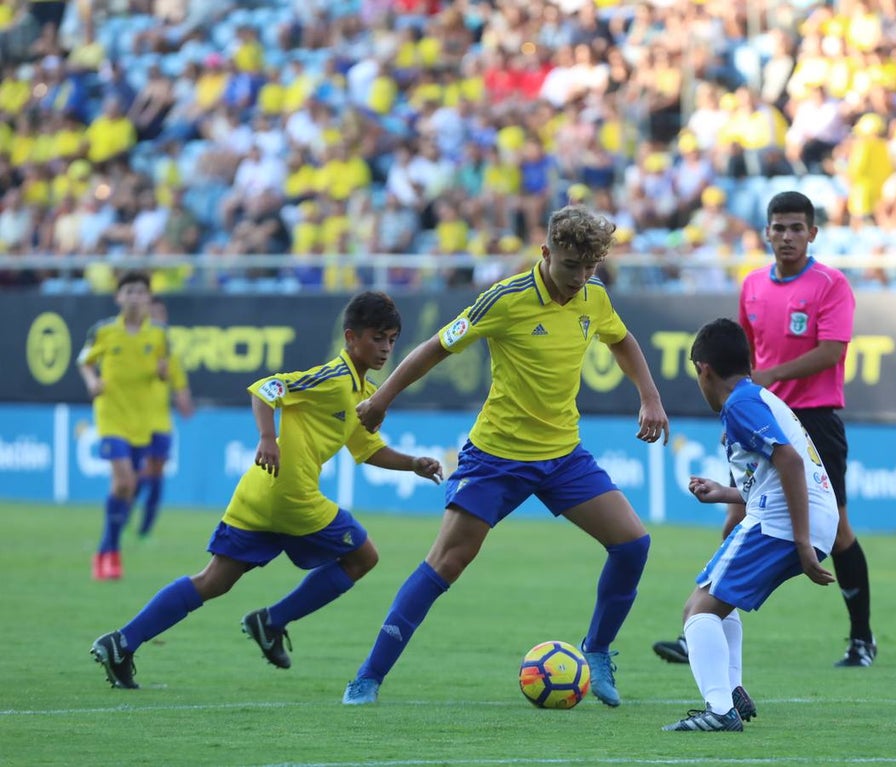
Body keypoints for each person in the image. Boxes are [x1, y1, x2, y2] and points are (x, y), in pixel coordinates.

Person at [343, 205, 670, 708]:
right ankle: (367, 677)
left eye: (590, 268)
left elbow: (622, 341)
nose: (579, 279)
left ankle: (598, 650)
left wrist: (649, 396)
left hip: (562, 455)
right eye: (570, 267)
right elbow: (435, 346)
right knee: (445, 563)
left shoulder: (594, 297)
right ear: (545, 254)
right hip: (496, 458)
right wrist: (382, 398)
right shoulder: (506, 299)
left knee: (632, 544)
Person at [90, 292, 444, 690]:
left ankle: (122, 641)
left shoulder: (365, 393)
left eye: (392, 339)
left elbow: (367, 449)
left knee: (213, 581)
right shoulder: (332, 378)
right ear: (350, 338)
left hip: (258, 494)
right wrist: (267, 437)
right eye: (377, 338)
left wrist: (412, 463)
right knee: (362, 556)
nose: (385, 348)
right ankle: (272, 621)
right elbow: (265, 389)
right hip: (291, 497)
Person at [653, 190, 877, 668]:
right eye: (779, 227)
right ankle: (702, 627)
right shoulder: (752, 285)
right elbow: (742, 355)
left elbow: (833, 351)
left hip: (812, 418)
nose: (788, 236)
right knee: (736, 517)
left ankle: (861, 638)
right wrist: (738, 416)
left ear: (812, 234)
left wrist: (769, 380)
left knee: (836, 532)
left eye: (797, 228)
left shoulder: (831, 284)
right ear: (766, 232)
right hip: (757, 420)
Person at [663, 318, 838, 732]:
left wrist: (801, 544)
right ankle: (732, 692)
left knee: (696, 612)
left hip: (785, 523)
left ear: (704, 369)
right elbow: (775, 478)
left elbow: (790, 463)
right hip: (797, 517)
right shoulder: (756, 398)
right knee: (716, 600)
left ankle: (720, 710)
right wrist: (723, 493)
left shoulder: (740, 406)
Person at [77, 272, 175, 581]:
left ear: (148, 298)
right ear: (119, 297)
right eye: (128, 291)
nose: (134, 297)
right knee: (124, 480)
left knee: (128, 486)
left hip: (142, 419)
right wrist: (93, 381)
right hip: (111, 416)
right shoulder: (104, 331)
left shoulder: (159, 334)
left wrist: (162, 373)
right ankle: (109, 550)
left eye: (140, 292)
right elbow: (84, 361)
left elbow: (165, 368)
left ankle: (108, 548)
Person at [134, 296, 194, 540]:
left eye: (162, 315)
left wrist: (183, 400)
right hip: (136, 421)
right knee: (138, 474)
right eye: (154, 315)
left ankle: (145, 529)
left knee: (156, 473)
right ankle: (124, 516)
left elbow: (180, 387)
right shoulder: (138, 349)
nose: (159, 320)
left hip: (161, 422)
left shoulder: (170, 356)